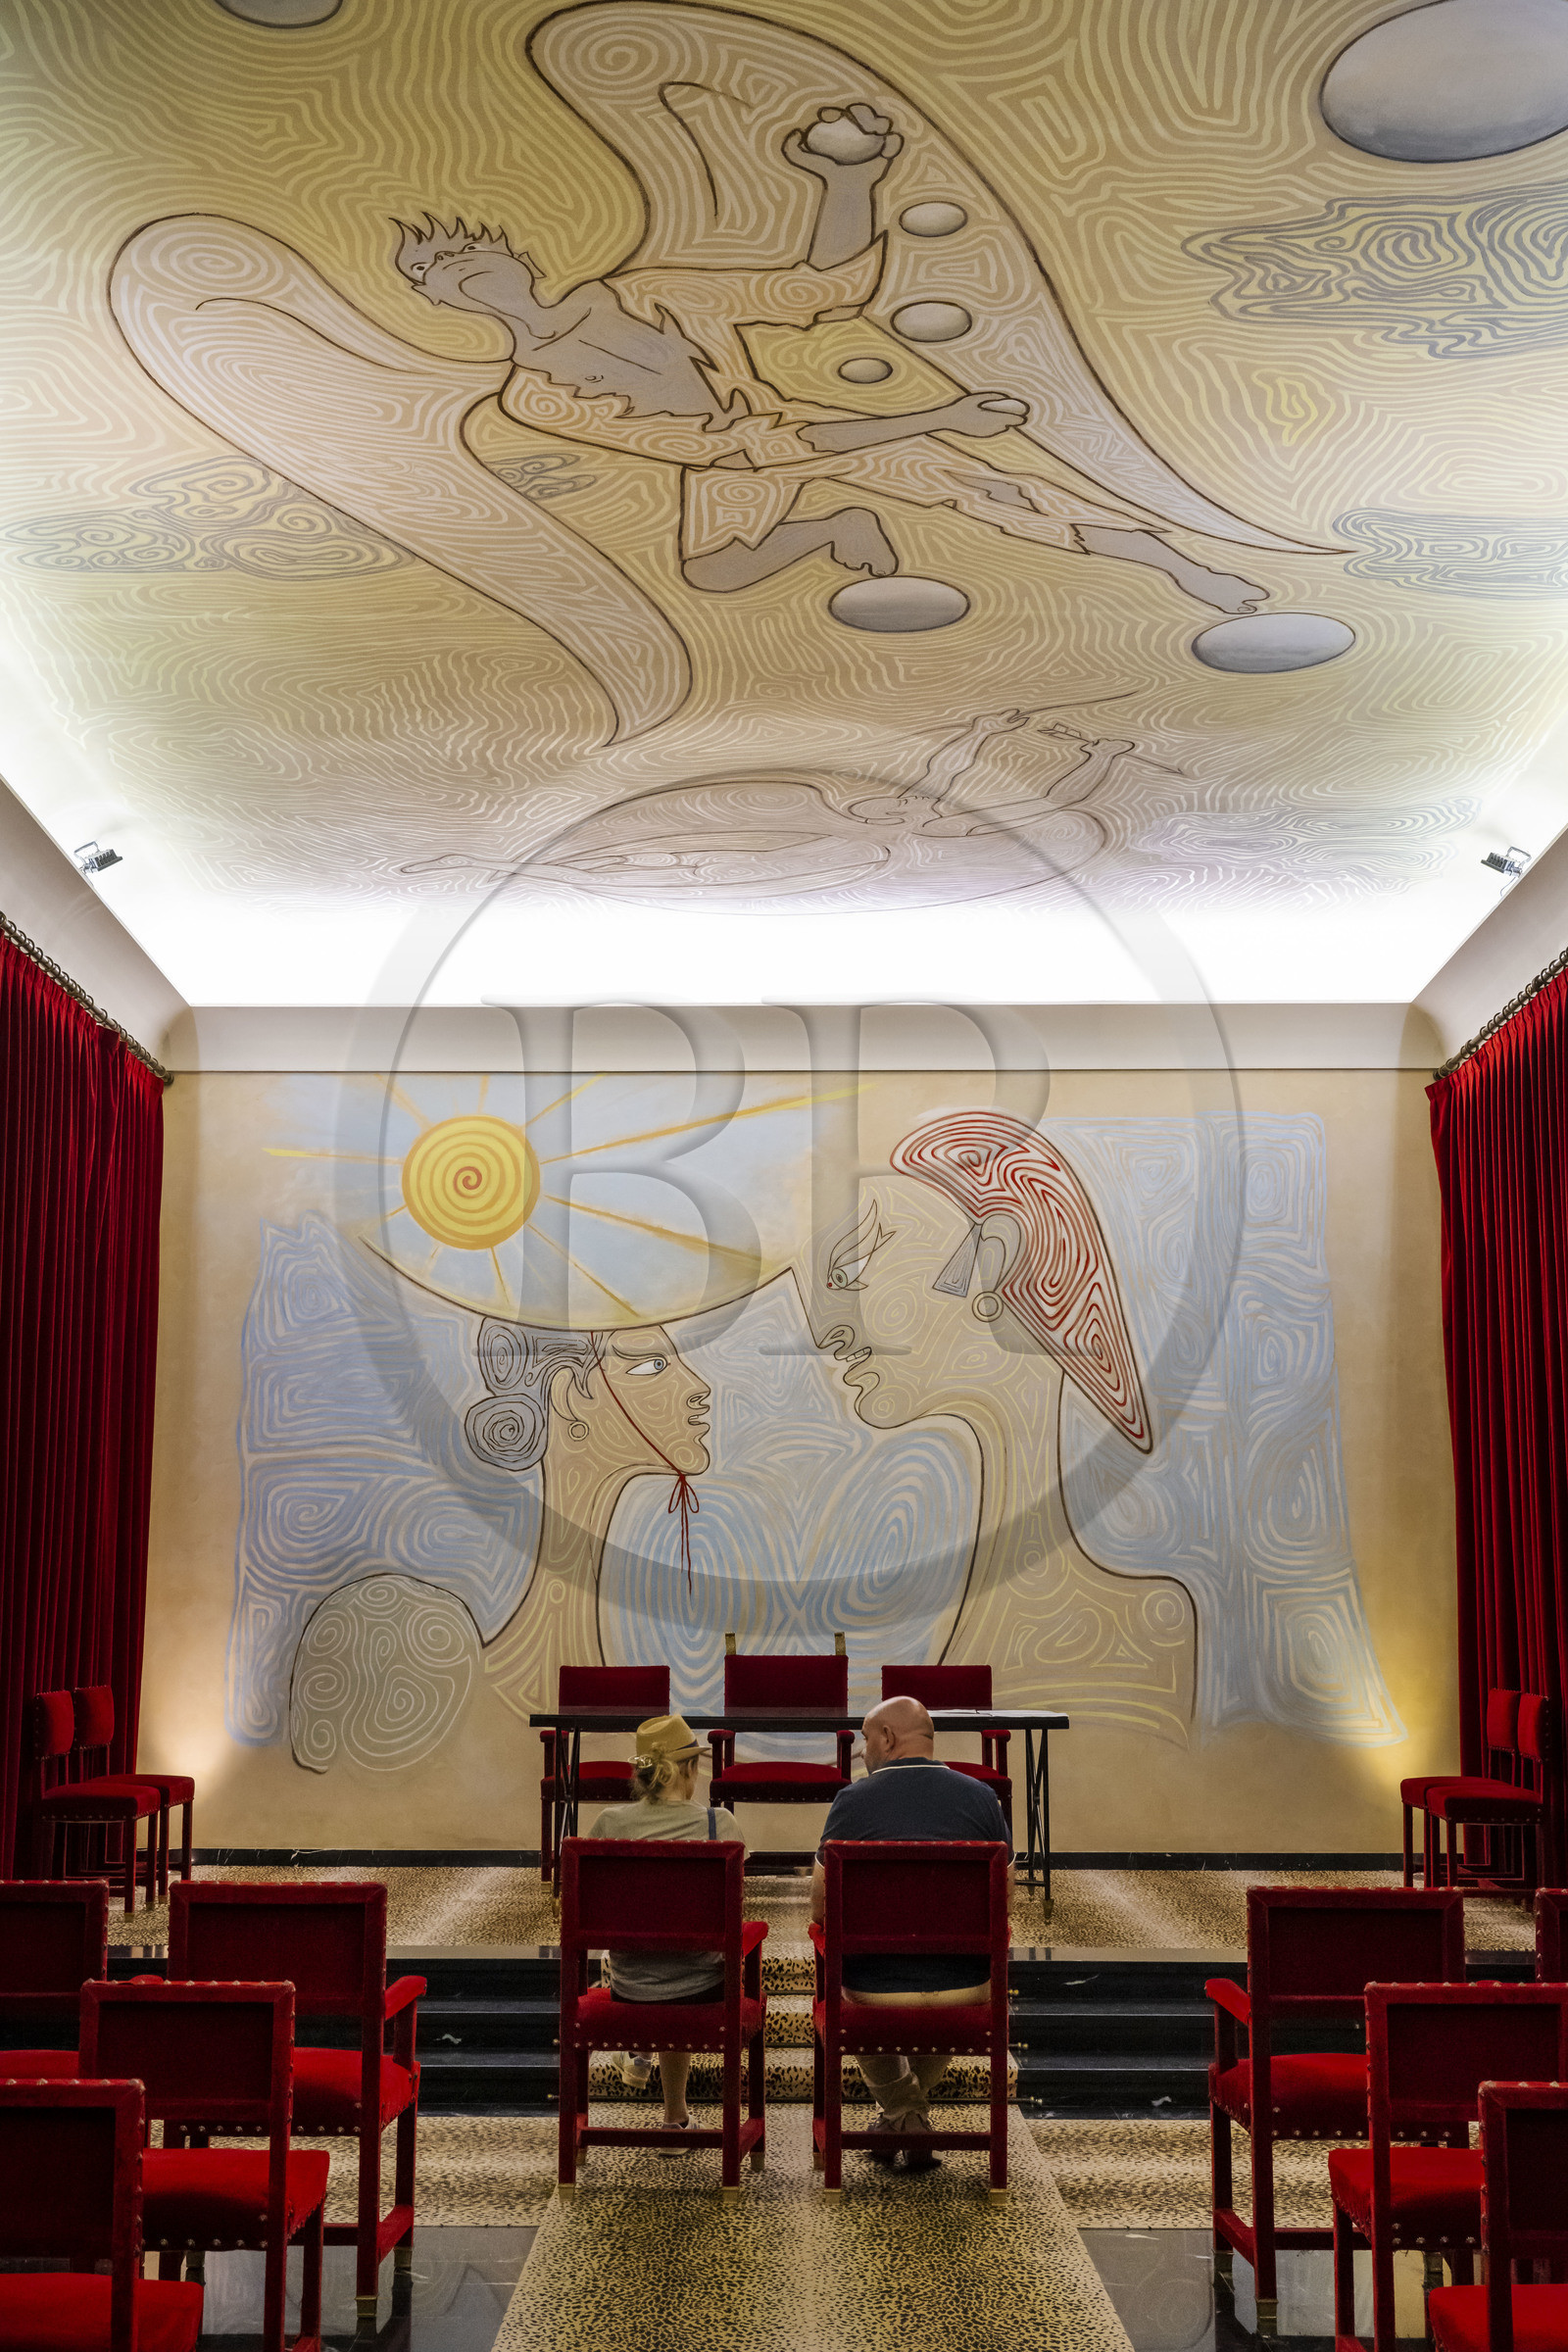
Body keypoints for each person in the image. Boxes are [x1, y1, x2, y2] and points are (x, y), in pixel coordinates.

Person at [810, 1694, 1011, 2170]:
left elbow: (819, 1907)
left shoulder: (852, 1802)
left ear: (887, 1737)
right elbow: (1003, 1903)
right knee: (945, 1991)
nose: (862, 1751)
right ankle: (909, 2117)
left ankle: (902, 2115)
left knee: (840, 1967)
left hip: (873, 1990)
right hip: (968, 1986)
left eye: (864, 1738)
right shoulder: (982, 1797)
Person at [588, 1714, 742, 2149]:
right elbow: (734, 1911)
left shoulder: (609, 1825)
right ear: (690, 1769)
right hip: (703, 1987)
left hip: (630, 1986)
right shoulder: (719, 1827)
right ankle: (672, 2116)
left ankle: (658, 2085)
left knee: (642, 1951)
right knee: (687, 1956)